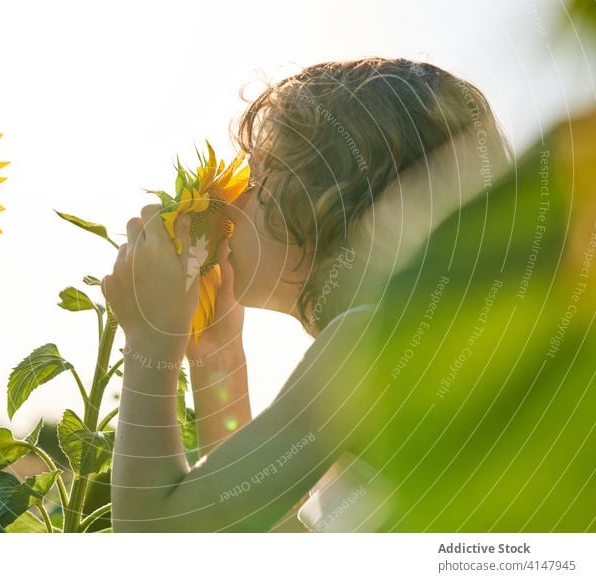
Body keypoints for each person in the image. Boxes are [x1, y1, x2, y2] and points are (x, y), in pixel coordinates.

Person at [101, 57, 511, 532]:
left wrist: (151, 338)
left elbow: (155, 539)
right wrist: (217, 358)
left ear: (330, 204)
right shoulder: (409, 350)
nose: (229, 202)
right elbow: (247, 534)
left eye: (256, 180)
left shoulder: (370, 341)